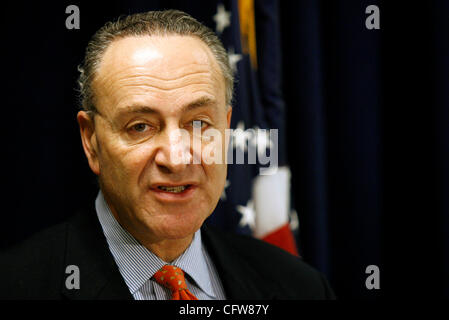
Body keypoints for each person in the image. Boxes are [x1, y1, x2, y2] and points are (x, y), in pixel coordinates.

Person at [0, 10, 335, 300]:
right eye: (140, 127)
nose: (176, 159)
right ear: (91, 141)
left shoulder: (300, 287)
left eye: (200, 123)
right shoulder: (16, 286)